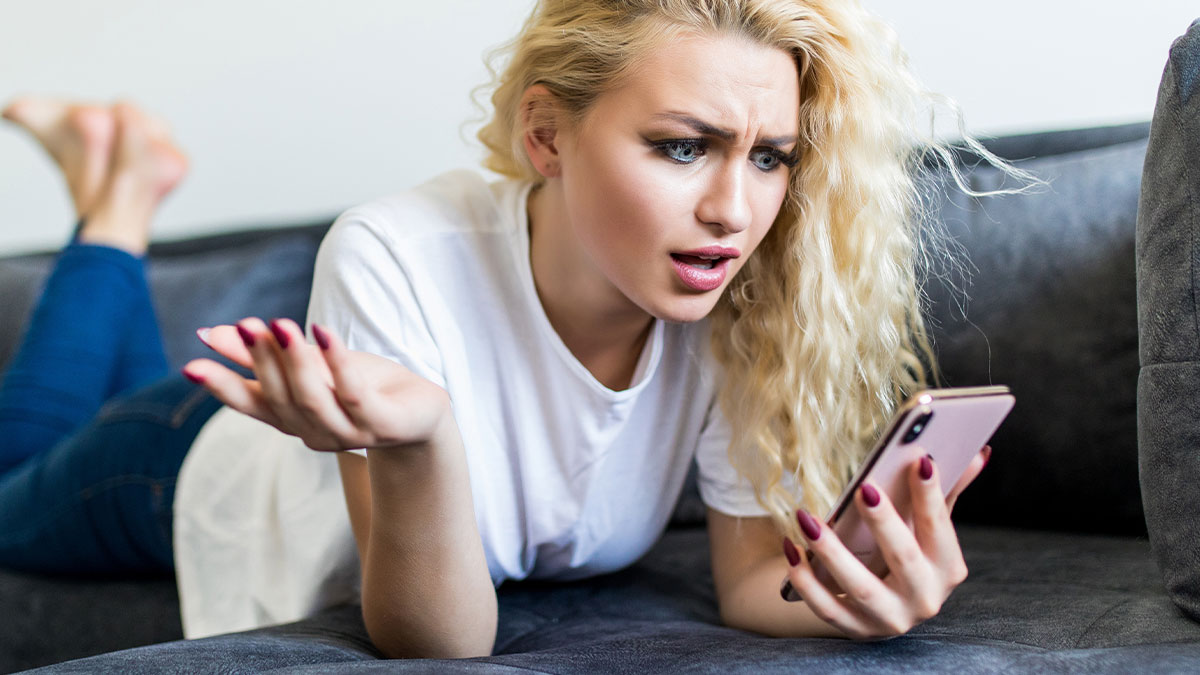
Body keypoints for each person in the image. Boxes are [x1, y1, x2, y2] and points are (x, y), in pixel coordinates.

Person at [0, 0, 1009, 660]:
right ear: (545, 134)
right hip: (188, 452)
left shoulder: (743, 297)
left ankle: (119, 181)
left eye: (769, 158)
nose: (733, 212)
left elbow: (751, 580)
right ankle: (119, 208)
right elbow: (437, 642)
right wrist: (425, 437)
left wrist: (860, 586)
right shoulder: (395, 252)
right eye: (682, 146)